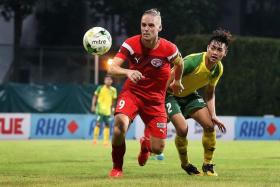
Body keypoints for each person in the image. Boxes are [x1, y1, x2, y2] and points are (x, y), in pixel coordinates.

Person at [107, 8, 184, 177]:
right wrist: (127, 72)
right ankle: (117, 167)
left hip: (156, 100)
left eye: (151, 25)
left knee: (158, 148)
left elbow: (180, 63)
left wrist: (177, 81)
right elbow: (112, 68)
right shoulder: (131, 43)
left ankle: (145, 144)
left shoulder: (169, 49)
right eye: (143, 25)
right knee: (120, 125)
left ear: (159, 28)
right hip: (132, 94)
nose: (146, 29)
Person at [165, 28, 231, 176]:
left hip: (189, 95)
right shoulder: (192, 62)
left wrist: (213, 114)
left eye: (219, 49)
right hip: (170, 95)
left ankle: (208, 166)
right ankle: (186, 164)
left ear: (224, 53)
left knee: (209, 126)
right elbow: (168, 78)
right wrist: (159, 102)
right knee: (182, 129)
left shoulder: (218, 69)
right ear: (207, 48)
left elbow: (209, 92)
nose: (215, 52)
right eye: (212, 48)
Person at [91, 75, 117, 146]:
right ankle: (95, 140)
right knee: (98, 124)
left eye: (109, 80)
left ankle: (106, 141)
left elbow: (113, 101)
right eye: (107, 80)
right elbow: (95, 97)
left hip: (108, 111)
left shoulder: (113, 90)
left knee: (107, 125)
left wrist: (113, 110)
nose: (108, 81)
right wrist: (93, 105)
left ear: (112, 81)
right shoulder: (100, 88)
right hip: (99, 110)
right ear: (104, 81)